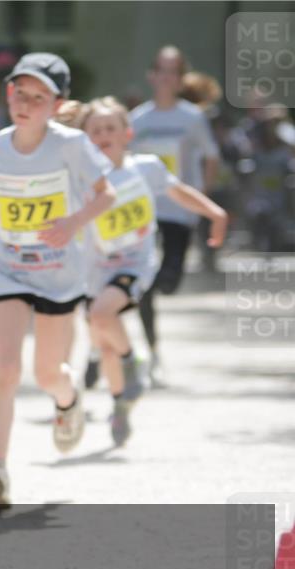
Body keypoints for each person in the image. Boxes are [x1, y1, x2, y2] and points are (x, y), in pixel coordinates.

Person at [0, 53, 116, 511]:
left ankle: (68, 402)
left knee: (48, 373)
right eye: (20, 93)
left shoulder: (70, 146)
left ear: (57, 104)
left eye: (38, 97)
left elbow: (104, 196)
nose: (26, 104)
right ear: (9, 94)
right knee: (6, 366)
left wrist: (71, 223)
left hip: (58, 272)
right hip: (7, 264)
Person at [79, 97, 227, 445]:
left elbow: (180, 193)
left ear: (127, 133)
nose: (103, 135)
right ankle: (120, 404)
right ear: (84, 139)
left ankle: (134, 361)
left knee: (102, 316)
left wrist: (214, 213)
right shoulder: (79, 178)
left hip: (134, 263)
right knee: (103, 340)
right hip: (94, 269)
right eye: (95, 130)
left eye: (110, 128)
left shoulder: (146, 168)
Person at [129, 46, 220, 387]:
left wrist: (203, 199)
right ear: (152, 75)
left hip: (180, 212)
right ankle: (152, 354)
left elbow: (211, 157)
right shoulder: (138, 119)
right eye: (161, 71)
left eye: (173, 72)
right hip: (145, 212)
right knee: (146, 286)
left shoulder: (192, 118)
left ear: (180, 79)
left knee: (168, 282)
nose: (166, 77)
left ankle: (144, 311)